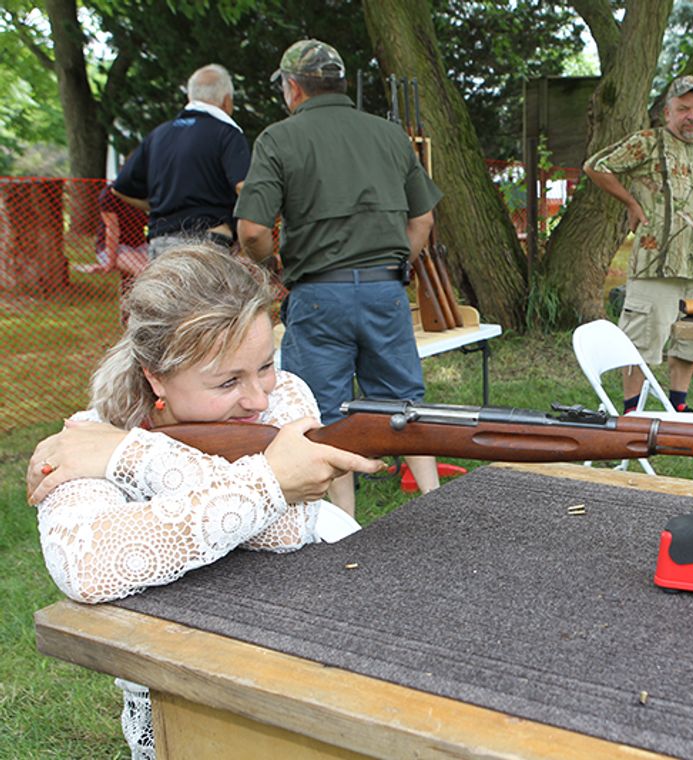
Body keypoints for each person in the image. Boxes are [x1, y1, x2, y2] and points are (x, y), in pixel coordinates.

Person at [27, 244, 382, 759]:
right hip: (185, 685)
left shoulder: (283, 398)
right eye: (227, 381)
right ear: (155, 376)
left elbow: (283, 529)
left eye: (264, 364)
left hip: (318, 645)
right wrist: (270, 480)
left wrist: (136, 456)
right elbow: (86, 566)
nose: (259, 397)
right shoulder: (88, 436)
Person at [235, 39, 443, 504]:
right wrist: (394, 267)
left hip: (317, 294)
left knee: (322, 414)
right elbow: (423, 220)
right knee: (405, 405)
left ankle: (343, 527)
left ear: (293, 88)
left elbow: (251, 231)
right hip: (383, 290)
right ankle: (432, 502)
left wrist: (276, 266)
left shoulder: (278, 138)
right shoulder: (390, 135)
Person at [583, 75, 693, 414]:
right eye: (683, 109)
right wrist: (634, 204)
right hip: (655, 265)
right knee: (640, 342)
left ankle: (678, 405)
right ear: (667, 113)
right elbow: (596, 167)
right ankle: (633, 410)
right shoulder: (648, 142)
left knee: (691, 343)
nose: (692, 116)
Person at [113, 64, 250, 258]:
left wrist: (157, 207)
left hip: (161, 244)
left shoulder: (159, 135)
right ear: (227, 101)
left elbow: (120, 188)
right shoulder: (227, 133)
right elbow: (244, 186)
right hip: (209, 242)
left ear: (190, 98)